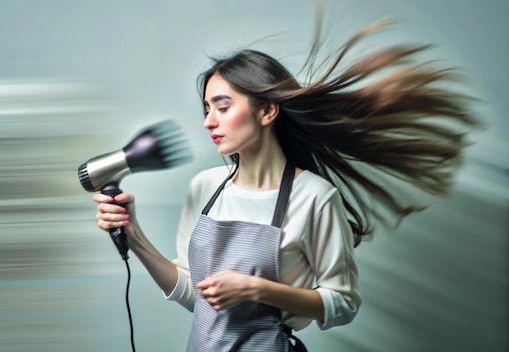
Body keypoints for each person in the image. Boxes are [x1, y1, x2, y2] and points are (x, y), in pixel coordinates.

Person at [93, 17, 477, 352]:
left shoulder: (315, 198)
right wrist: (133, 231)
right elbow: (196, 297)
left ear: (267, 110)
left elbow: (343, 304)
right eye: (207, 108)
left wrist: (254, 289)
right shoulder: (205, 188)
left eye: (223, 107)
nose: (209, 120)